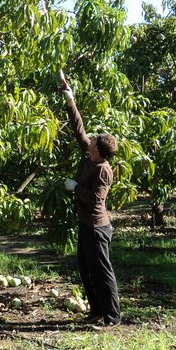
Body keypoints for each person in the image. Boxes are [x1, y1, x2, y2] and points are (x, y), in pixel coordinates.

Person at [60, 72, 121, 327]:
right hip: (86, 225)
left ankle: (112, 316)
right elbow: (79, 128)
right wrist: (69, 97)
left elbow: (96, 200)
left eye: (95, 140)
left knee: (102, 272)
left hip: (98, 228)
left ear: (98, 149)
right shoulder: (89, 155)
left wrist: (75, 187)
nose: (92, 138)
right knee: (86, 270)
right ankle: (96, 311)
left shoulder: (102, 170)